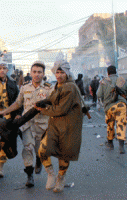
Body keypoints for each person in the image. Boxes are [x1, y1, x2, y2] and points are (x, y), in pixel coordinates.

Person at [0, 60, 53, 187]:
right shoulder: (25, 87)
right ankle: (29, 176)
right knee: (27, 148)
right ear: (31, 72)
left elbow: (54, 105)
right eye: (34, 72)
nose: (37, 74)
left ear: (43, 74)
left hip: (42, 125)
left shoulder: (49, 88)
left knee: (40, 150)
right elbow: (18, 103)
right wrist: (4, 111)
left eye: (39, 72)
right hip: (27, 124)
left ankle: (39, 160)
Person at [35, 60, 83, 193]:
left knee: (64, 155)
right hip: (56, 125)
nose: (59, 75)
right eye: (57, 72)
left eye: (62, 72)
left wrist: (42, 110)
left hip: (68, 126)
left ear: (67, 73)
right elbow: (52, 99)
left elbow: (60, 109)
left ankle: (60, 178)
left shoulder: (69, 87)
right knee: (42, 150)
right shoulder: (59, 85)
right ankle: (51, 174)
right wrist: (43, 102)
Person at [97, 66, 127, 154]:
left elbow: (98, 94)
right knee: (121, 124)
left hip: (110, 107)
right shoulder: (121, 80)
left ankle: (110, 143)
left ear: (108, 73)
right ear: (116, 72)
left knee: (110, 124)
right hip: (122, 105)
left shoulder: (104, 81)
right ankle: (121, 147)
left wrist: (103, 100)